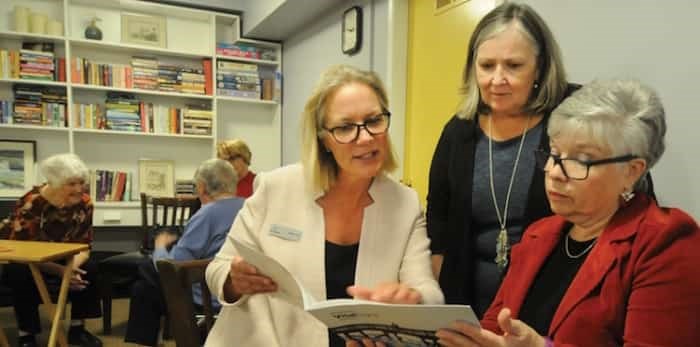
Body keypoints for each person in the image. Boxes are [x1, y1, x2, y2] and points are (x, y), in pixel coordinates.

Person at [434, 79, 700, 347]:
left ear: (631, 172)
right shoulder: (539, 235)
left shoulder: (666, 241)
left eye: (581, 161)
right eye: (554, 153)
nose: (554, 172)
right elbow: (494, 328)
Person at [204, 65, 444, 347]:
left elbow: (429, 292)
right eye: (344, 127)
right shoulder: (276, 187)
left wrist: (413, 298)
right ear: (324, 140)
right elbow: (217, 268)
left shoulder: (405, 203)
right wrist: (234, 280)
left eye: (374, 120)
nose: (365, 137)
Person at [426, 2, 578, 315]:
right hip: (470, 314)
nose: (497, 79)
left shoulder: (577, 115)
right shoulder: (457, 133)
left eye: (513, 65)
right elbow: (438, 225)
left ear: (540, 67)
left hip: (553, 311)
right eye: (486, 66)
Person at [124, 158, 244, 346]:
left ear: (202, 187)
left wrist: (160, 246)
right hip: (240, 289)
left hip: (207, 295)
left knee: (147, 269)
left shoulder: (207, 213)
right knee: (145, 284)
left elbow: (173, 267)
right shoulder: (248, 207)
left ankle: (144, 342)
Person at [0, 153, 102, 347]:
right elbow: (25, 252)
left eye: (81, 183)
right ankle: (26, 334)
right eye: (71, 184)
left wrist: (72, 269)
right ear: (54, 182)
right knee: (19, 273)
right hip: (26, 258)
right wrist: (62, 272)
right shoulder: (32, 203)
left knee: (91, 267)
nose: (79, 189)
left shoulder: (85, 203)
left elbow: (84, 246)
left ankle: (77, 329)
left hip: (64, 257)